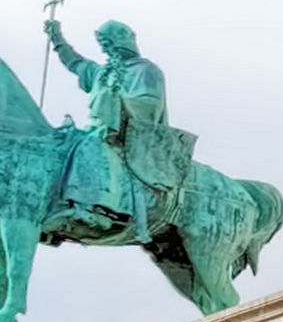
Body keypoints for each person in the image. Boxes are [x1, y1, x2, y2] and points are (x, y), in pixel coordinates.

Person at [46, 16, 196, 240]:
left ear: (127, 40)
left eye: (110, 41)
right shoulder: (102, 73)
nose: (107, 48)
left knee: (93, 145)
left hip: (131, 136)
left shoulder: (146, 70)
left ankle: (98, 208)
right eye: (104, 44)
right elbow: (76, 63)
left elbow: (151, 105)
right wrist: (57, 39)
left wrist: (118, 101)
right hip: (99, 130)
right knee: (67, 141)